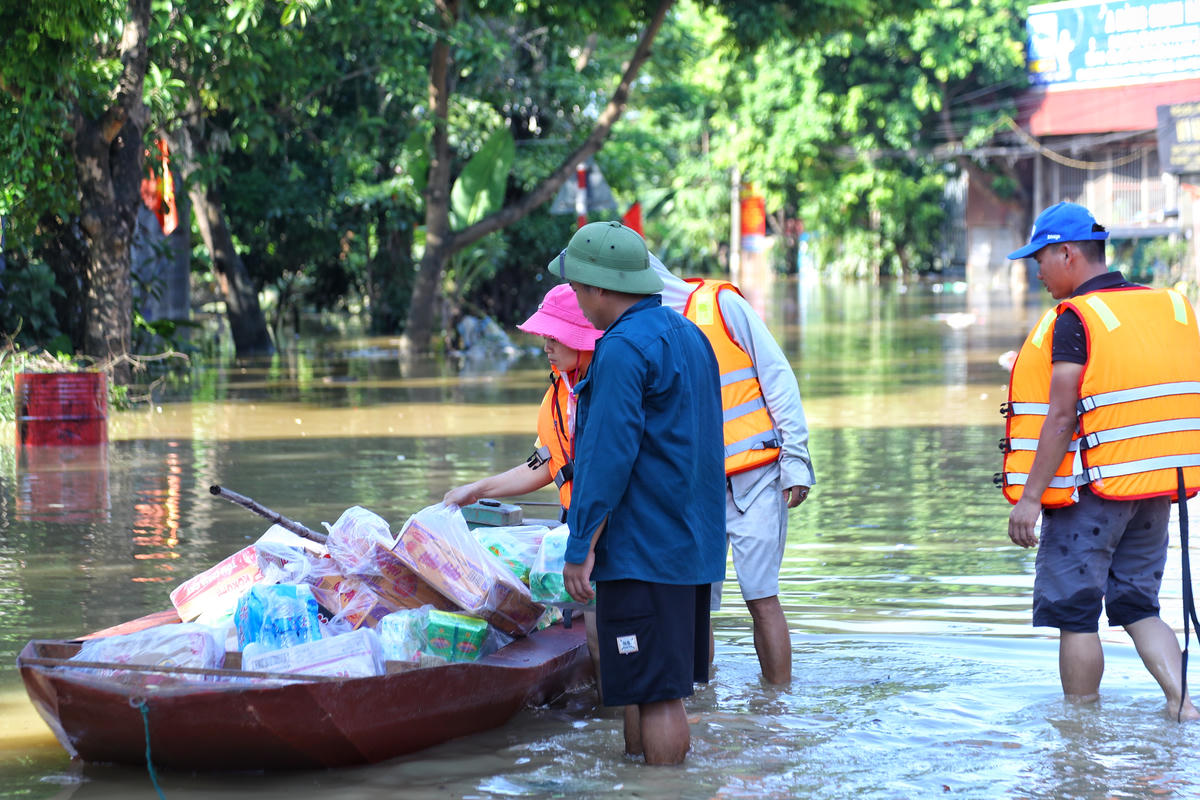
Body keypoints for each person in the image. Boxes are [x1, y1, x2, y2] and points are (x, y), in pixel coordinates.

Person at [1002, 201, 1200, 719]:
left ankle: (1080, 734)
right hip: (1156, 484)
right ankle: (1184, 707)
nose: (1037, 271)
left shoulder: (1076, 319)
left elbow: (1062, 415)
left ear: (1067, 253)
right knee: (1137, 605)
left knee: (1076, 613)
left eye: (1039, 258)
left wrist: (1028, 500)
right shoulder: (1167, 306)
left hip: (1093, 491)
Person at [555, 220, 727, 765]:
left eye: (579, 289)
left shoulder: (624, 349)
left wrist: (580, 546)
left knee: (656, 697)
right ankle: (639, 782)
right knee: (646, 685)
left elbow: (606, 459)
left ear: (602, 288)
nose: (577, 300)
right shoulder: (688, 336)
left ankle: (662, 787)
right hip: (688, 545)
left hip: (644, 551)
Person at [651, 254, 814, 685]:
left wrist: (796, 460)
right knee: (694, 603)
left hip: (755, 476)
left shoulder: (720, 304)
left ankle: (777, 708)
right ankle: (699, 705)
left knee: (761, 597)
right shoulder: (638, 329)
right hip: (692, 490)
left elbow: (777, 375)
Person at [443, 283, 602, 512]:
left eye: (555, 338)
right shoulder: (561, 391)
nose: (547, 348)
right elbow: (546, 461)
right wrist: (476, 490)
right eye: (546, 338)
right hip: (580, 517)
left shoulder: (611, 388)